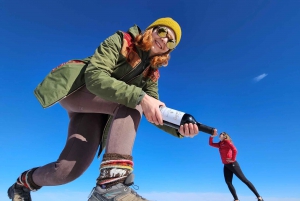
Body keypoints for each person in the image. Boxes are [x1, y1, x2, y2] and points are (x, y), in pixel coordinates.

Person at [7, 17, 201, 201]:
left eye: (171, 42)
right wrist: (141, 98)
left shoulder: (151, 74)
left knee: (66, 171)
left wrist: (179, 126)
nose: (165, 39)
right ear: (151, 30)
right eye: (163, 31)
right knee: (135, 102)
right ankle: (110, 186)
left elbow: (154, 110)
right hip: (79, 89)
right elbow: (95, 76)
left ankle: (22, 184)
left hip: (100, 112)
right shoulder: (123, 41)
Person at [209, 131, 264, 201]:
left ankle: (259, 197)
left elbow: (235, 150)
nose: (219, 135)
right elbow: (210, 144)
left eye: (221, 134)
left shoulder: (227, 142)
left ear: (225, 136)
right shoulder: (220, 144)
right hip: (226, 165)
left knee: (244, 180)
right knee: (228, 182)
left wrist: (233, 159)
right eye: (219, 134)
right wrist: (212, 136)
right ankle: (236, 199)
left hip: (233, 164)